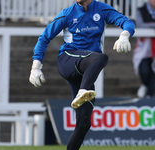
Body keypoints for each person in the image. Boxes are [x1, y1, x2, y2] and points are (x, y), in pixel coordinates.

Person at [29, 0, 135, 149]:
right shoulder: (67, 14)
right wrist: (36, 67)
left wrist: (125, 35)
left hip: (86, 68)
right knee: (101, 58)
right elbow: (44, 37)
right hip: (68, 59)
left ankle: (83, 91)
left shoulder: (102, 10)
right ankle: (83, 91)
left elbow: (127, 22)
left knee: (84, 123)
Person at [133, 0, 155, 98]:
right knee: (144, 71)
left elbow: (145, 25)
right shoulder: (141, 10)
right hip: (144, 48)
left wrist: (149, 25)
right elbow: (141, 25)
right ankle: (146, 86)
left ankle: (148, 95)